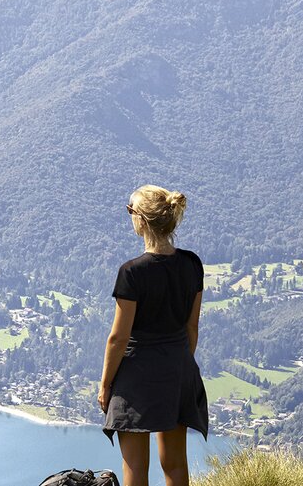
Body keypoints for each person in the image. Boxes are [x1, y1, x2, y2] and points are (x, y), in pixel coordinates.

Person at [99, 184, 207, 486]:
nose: (129, 215)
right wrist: (180, 366)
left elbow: (118, 339)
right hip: (178, 369)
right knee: (174, 465)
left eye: (130, 210)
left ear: (142, 221)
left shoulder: (132, 273)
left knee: (135, 467)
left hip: (137, 377)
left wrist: (105, 385)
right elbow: (191, 328)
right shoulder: (191, 264)